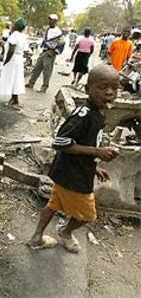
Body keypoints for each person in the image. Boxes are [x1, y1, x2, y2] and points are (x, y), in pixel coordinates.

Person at [28, 65, 120, 253]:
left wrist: (94, 167)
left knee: (54, 204)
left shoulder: (100, 112)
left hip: (71, 170)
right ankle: (65, 232)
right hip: (73, 176)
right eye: (102, 87)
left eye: (114, 88)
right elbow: (61, 142)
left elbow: (82, 144)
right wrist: (97, 152)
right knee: (88, 215)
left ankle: (37, 237)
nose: (109, 92)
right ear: (87, 89)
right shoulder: (83, 114)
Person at [25, 14, 65, 93]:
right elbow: (44, 40)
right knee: (37, 68)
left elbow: (62, 44)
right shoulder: (47, 29)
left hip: (50, 52)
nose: (50, 21)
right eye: (49, 19)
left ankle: (44, 87)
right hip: (44, 51)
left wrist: (54, 52)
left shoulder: (58, 32)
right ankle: (31, 82)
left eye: (52, 20)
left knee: (47, 71)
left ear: (55, 21)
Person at [0, 18, 28, 110]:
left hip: (12, 60)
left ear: (15, 26)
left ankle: (15, 100)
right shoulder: (23, 36)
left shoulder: (14, 36)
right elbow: (26, 50)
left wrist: (6, 61)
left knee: (11, 79)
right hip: (19, 60)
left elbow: (11, 50)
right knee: (16, 79)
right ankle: (14, 99)